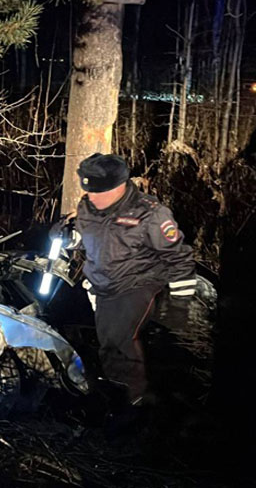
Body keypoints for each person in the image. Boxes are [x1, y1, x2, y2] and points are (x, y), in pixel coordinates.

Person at [57, 153, 197, 410]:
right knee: (94, 337)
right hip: (99, 284)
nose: (92, 197)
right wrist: (70, 238)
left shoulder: (150, 214)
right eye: (88, 191)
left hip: (137, 283)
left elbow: (179, 258)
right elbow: (87, 236)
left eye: (99, 191)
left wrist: (181, 303)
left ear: (119, 185)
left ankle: (132, 404)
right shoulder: (87, 206)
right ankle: (105, 388)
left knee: (118, 342)